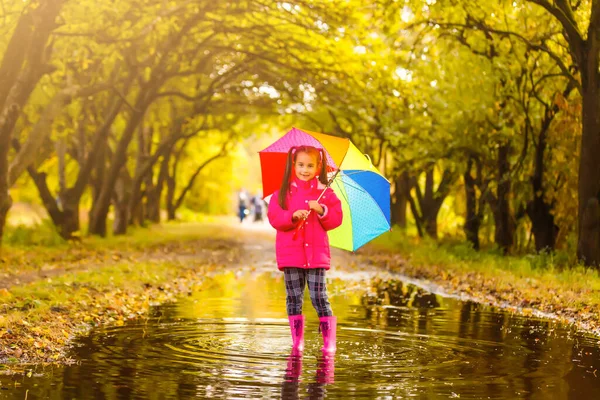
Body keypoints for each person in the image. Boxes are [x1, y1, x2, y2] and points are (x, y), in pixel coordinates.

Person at [267, 145, 343, 355]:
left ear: (319, 167)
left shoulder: (325, 192)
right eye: (301, 165)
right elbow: (274, 217)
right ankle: (297, 341)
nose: (305, 169)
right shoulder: (283, 192)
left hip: (316, 255)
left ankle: (329, 342)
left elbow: (336, 219)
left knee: (319, 296)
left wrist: (322, 210)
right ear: (294, 165)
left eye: (310, 165)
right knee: (294, 297)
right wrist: (292, 216)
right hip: (291, 253)